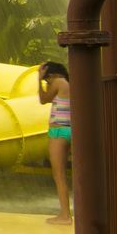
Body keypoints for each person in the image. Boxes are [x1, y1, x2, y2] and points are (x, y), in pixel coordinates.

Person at [38, 61, 72, 225]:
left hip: (58, 132)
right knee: (66, 175)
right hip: (69, 130)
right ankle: (66, 214)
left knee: (59, 176)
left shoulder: (59, 82)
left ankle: (65, 216)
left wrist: (38, 80)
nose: (47, 83)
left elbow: (43, 99)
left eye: (47, 80)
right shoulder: (68, 84)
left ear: (52, 75)